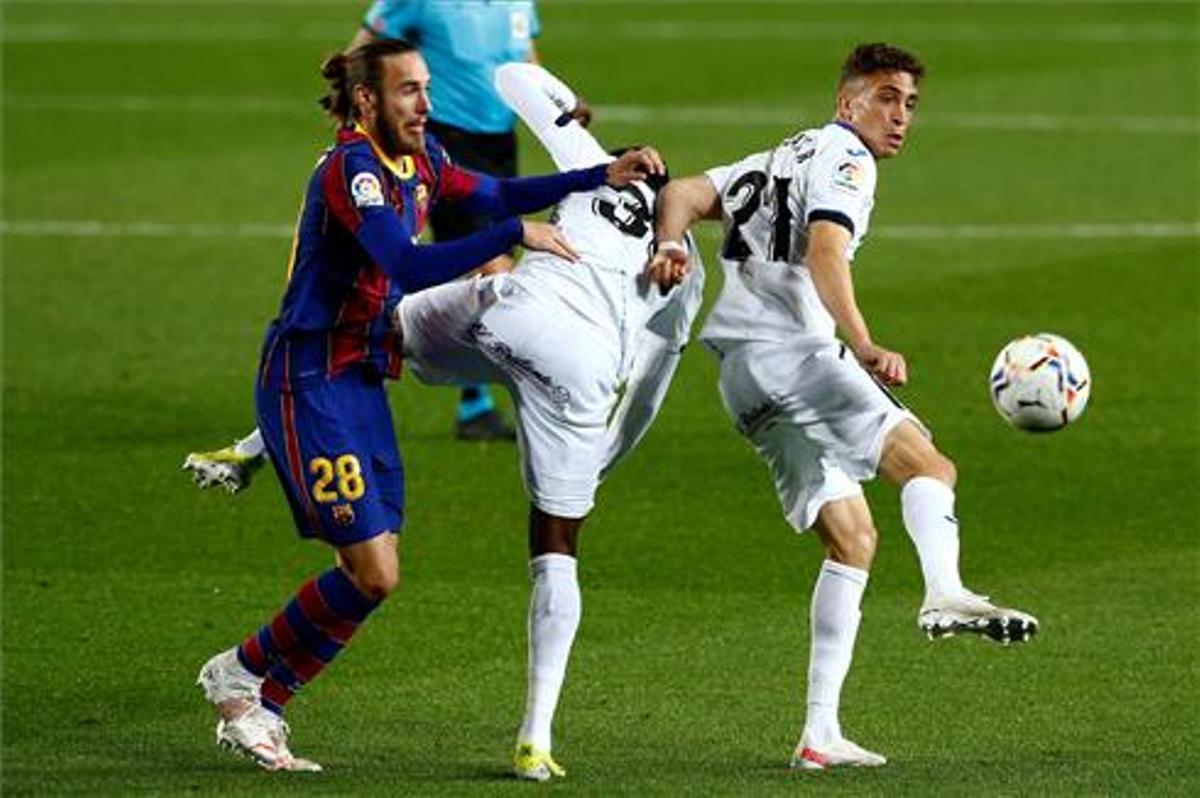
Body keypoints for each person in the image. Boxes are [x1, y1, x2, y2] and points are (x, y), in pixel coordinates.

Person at [187, 62, 701, 780]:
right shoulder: (352, 170)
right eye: (411, 90)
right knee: (372, 571)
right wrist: (523, 229)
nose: (428, 103)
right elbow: (404, 259)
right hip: (310, 372)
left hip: (364, 368)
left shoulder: (422, 159)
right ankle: (245, 682)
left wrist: (591, 178)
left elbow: (496, 190)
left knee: (375, 572)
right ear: (367, 99)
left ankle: (254, 688)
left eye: (428, 90)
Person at [645, 42, 1039, 771]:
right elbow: (827, 249)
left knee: (852, 540)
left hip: (739, 377)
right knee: (928, 462)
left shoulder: (782, 154)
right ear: (846, 100)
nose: (900, 117)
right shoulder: (847, 162)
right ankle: (945, 592)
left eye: (910, 104)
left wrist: (670, 244)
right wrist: (861, 342)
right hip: (794, 355)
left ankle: (818, 736)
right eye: (886, 97)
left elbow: (685, 192)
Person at [352, 0, 588, 442]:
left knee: (476, 275)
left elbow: (523, 60)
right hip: (444, 140)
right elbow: (362, 53)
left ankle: (379, 372)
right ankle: (531, 398)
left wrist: (560, 102)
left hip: (500, 142)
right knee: (494, 269)